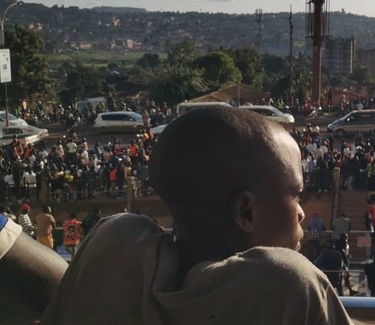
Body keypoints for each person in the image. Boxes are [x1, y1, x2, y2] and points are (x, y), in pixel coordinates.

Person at [42, 106, 352, 324]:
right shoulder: (288, 283)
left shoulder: (116, 246)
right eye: (295, 195)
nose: (300, 213)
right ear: (245, 211)